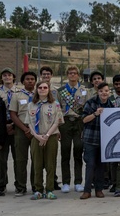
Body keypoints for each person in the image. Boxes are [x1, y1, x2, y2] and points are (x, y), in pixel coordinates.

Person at [27, 80, 63, 200]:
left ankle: (49, 190)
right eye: (40, 88)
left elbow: (56, 122)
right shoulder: (31, 105)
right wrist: (37, 136)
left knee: (50, 164)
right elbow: (30, 123)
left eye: (45, 87)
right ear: (37, 90)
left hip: (51, 137)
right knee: (37, 164)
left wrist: (47, 135)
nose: (42, 89)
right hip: (36, 137)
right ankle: (38, 190)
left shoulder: (55, 104)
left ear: (49, 90)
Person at [80, 82, 114, 199]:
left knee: (101, 166)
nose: (104, 93)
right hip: (90, 139)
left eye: (106, 91)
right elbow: (84, 119)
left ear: (109, 92)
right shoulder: (90, 103)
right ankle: (87, 190)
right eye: (101, 91)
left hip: (104, 140)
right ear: (97, 92)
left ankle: (99, 190)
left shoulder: (111, 105)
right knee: (90, 164)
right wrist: (95, 114)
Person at [58, 65, 87, 194]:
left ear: (78, 75)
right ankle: (65, 182)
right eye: (70, 73)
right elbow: (58, 109)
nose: (72, 75)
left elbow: (86, 108)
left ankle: (78, 182)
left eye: (75, 73)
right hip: (65, 122)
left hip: (79, 122)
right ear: (67, 75)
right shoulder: (61, 90)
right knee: (65, 152)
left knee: (78, 151)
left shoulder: (84, 90)